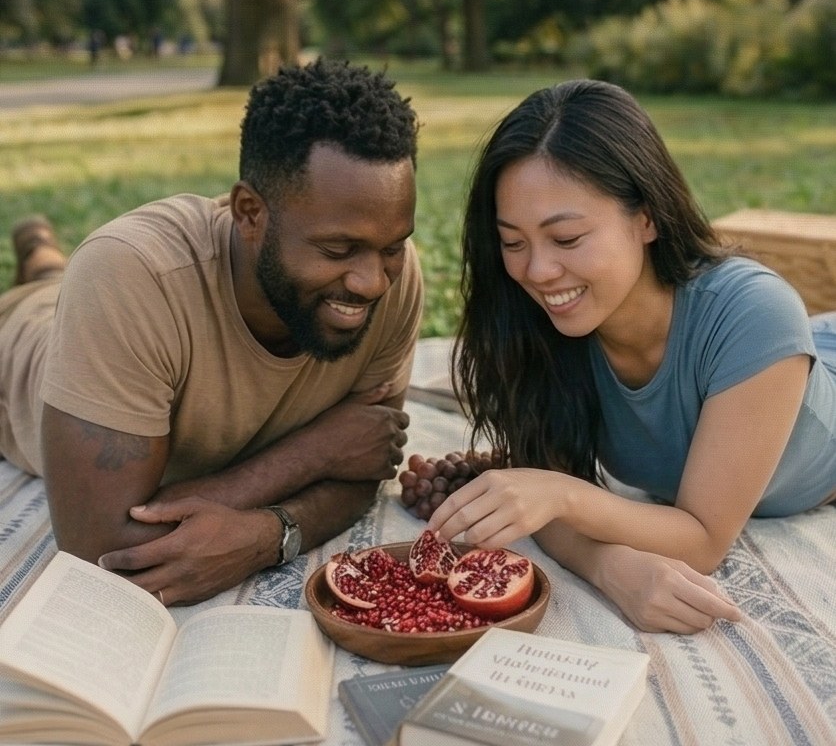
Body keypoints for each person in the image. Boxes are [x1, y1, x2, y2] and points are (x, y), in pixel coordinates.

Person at [414, 78, 836, 634]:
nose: (537, 272)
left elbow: (704, 537)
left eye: (565, 239)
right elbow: (545, 497)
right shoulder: (538, 325)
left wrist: (562, 491)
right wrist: (608, 563)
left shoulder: (755, 316)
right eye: (513, 243)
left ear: (647, 217)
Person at [0, 58, 423, 606]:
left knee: (53, 283)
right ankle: (40, 254)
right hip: (19, 354)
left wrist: (270, 533)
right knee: (43, 298)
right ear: (249, 213)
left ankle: (42, 257)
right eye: (337, 251)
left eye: (390, 247)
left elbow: (365, 463)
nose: (370, 281)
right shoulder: (129, 275)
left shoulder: (395, 272)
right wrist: (314, 454)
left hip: (109, 325)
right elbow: (102, 548)